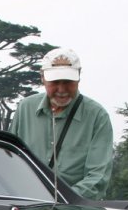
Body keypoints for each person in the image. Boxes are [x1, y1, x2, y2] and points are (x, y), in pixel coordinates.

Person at [10, 47, 114, 200]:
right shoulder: (25, 108)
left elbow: (98, 177)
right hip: (27, 205)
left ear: (79, 77)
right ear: (42, 78)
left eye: (68, 82)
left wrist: (63, 201)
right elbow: (11, 161)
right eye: (55, 82)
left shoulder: (97, 115)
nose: (61, 89)